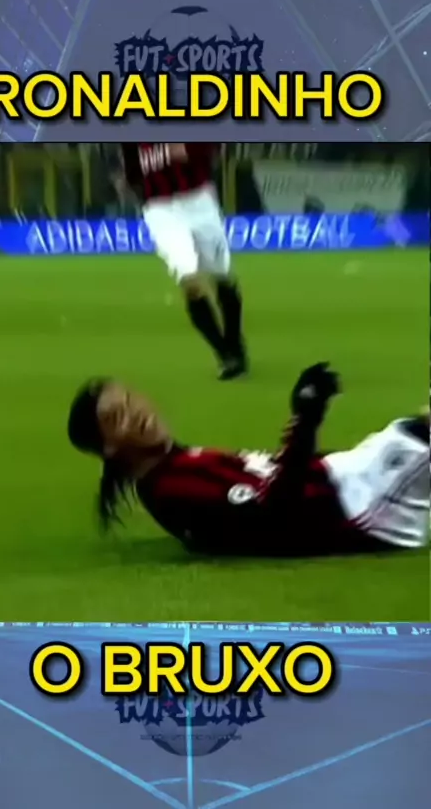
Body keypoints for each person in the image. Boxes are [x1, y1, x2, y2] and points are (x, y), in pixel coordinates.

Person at [67, 363, 429, 556]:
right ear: (109, 448)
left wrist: (307, 435)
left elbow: (266, 482)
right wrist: (305, 423)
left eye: (132, 400)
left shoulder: (176, 464)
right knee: (421, 432)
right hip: (355, 510)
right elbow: (274, 512)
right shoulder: (174, 488)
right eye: (119, 417)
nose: (139, 412)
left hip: (342, 478)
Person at [116, 143, 248, 380]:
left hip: (199, 200)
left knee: (223, 276)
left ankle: (234, 341)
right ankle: (225, 355)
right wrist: (133, 185)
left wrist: (192, 152)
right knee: (189, 278)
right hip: (160, 209)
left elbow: (213, 146)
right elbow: (132, 172)